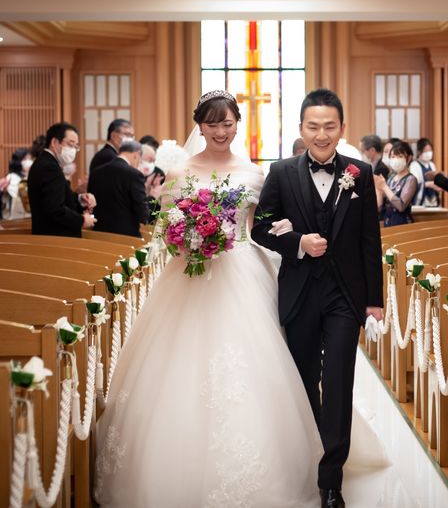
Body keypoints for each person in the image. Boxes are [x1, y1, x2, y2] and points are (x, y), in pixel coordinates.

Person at [94, 90, 322, 507]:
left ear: (237, 124)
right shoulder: (179, 172)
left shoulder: (255, 174)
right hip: (188, 275)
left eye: (227, 123)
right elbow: (165, 228)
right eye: (212, 124)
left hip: (242, 272)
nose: (220, 131)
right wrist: (188, 240)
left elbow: (261, 227)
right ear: (199, 126)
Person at [252, 88, 384, 508]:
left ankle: (331, 481)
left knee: (339, 383)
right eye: (313, 126)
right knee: (304, 381)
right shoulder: (281, 172)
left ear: (342, 128)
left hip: (345, 296)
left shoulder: (360, 173)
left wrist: (375, 300)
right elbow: (259, 228)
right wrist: (297, 242)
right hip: (300, 293)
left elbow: (369, 240)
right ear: (301, 129)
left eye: (329, 126)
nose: (322, 134)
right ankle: (306, 455)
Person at [28, 123, 96, 237]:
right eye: (70, 144)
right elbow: (55, 208)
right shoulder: (50, 167)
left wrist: (80, 199)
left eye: (76, 146)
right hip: (56, 236)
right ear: (54, 142)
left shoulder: (45, 162)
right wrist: (82, 220)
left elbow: (56, 197)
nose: (73, 150)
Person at [88, 141, 158, 237]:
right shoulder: (134, 174)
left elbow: (90, 204)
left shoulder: (96, 172)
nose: (139, 164)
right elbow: (143, 213)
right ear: (136, 155)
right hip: (126, 235)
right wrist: (152, 197)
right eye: (140, 160)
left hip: (98, 232)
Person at [376, 140, 418, 227]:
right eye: (393, 156)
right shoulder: (391, 178)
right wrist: (379, 189)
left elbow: (401, 206)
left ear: (409, 158)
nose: (396, 159)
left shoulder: (411, 179)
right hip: (388, 222)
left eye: (400, 156)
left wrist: (384, 187)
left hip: (403, 224)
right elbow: (380, 207)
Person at [409, 137, 441, 207]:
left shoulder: (432, 165)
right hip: (421, 202)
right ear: (419, 152)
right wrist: (428, 184)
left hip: (432, 200)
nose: (428, 153)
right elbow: (414, 185)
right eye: (425, 151)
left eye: (430, 150)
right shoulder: (414, 165)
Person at [2, 148, 33, 220]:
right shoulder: (12, 177)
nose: (28, 161)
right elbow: (15, 193)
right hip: (17, 216)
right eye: (25, 159)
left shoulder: (31, 175)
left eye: (29, 159)